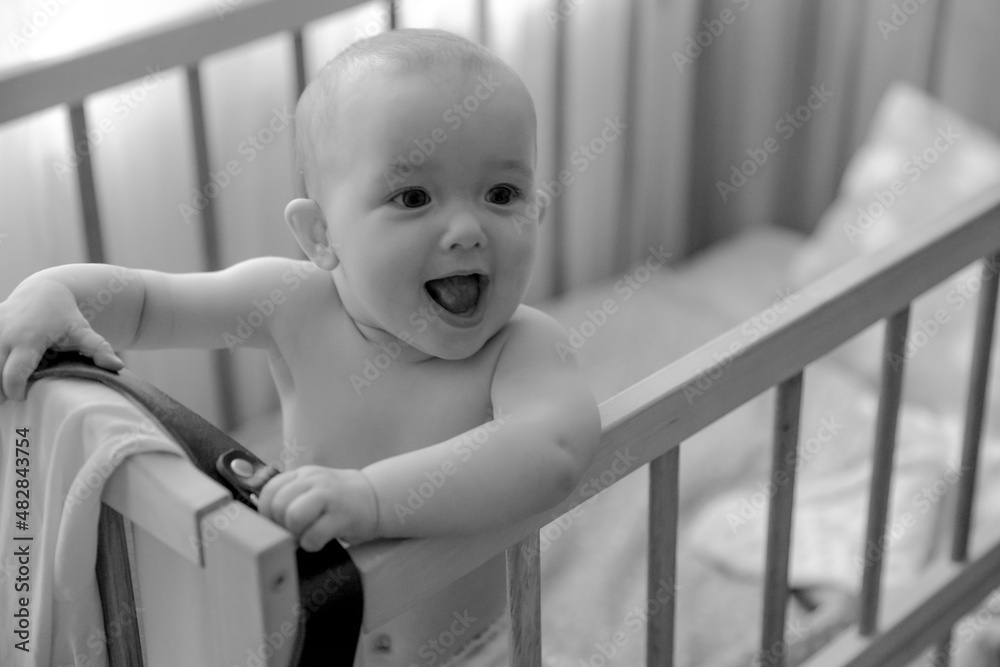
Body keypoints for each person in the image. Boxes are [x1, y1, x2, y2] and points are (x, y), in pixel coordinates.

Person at [0, 28, 601, 665]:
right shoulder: (290, 304)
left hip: (473, 651)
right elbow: (150, 304)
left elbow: (552, 450)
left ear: (536, 213)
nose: (465, 229)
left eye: (502, 195)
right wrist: (55, 290)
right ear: (320, 234)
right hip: (312, 639)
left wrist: (370, 499)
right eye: (413, 197)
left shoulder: (524, 346)